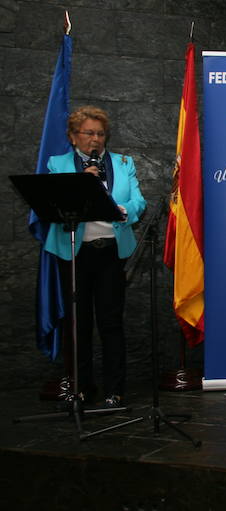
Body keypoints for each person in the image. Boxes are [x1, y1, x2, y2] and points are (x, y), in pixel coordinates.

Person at [44, 105, 146, 408]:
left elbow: (138, 201)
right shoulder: (58, 164)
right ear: (74, 136)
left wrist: (123, 210)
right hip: (73, 253)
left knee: (111, 322)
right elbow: (53, 204)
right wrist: (82, 182)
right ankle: (82, 387)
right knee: (78, 323)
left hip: (111, 253)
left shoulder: (123, 163)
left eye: (101, 134)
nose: (96, 139)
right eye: (89, 133)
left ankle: (115, 389)